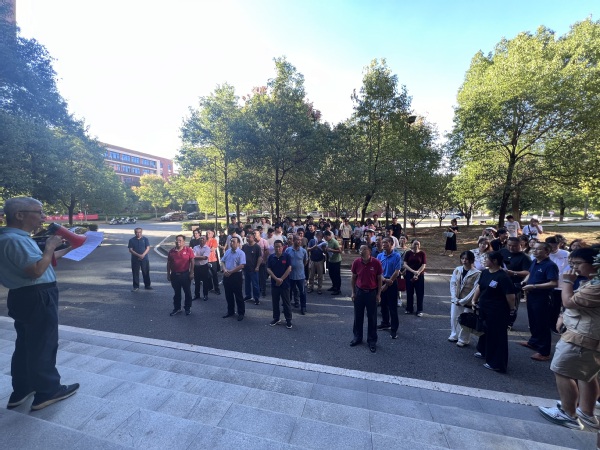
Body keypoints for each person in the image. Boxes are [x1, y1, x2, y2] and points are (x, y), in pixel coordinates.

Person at [0, 197, 79, 411]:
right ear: (19, 215)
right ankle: (47, 391)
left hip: (23, 295)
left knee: (26, 344)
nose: (43, 217)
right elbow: (36, 270)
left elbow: (41, 261)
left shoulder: (10, 237)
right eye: (39, 212)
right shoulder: (15, 240)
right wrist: (50, 247)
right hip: (37, 295)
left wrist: (67, 249)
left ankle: (22, 389)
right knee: (43, 344)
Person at [538, 247, 600, 430]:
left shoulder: (596, 287)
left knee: (562, 371)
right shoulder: (593, 282)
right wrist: (562, 316)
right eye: (572, 264)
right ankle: (586, 412)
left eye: (578, 264)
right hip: (586, 336)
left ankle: (568, 413)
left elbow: (569, 301)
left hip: (581, 338)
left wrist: (566, 281)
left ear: (596, 264)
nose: (574, 268)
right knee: (587, 375)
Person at [472, 251, 516, 372]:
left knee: (497, 336)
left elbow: (510, 296)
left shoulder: (503, 277)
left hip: (497, 311)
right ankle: (484, 351)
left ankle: (497, 363)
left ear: (495, 261)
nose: (484, 261)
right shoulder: (485, 272)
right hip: (484, 308)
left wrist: (512, 310)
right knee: (484, 331)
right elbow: (480, 287)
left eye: (486, 259)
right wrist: (474, 300)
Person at [519, 242, 559, 361]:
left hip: (543, 297)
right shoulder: (535, 262)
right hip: (532, 295)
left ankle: (544, 352)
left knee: (542, 323)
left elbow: (553, 283)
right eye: (534, 249)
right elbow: (530, 273)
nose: (534, 251)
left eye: (538, 249)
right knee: (533, 321)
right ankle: (534, 342)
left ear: (547, 252)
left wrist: (534, 286)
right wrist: (525, 281)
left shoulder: (550, 265)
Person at [350, 245, 383, 353]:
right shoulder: (356, 262)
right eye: (360, 249)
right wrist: (353, 292)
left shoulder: (376, 263)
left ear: (369, 251)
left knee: (372, 318)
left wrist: (378, 294)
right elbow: (353, 278)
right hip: (359, 292)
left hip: (371, 293)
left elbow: (379, 279)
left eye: (363, 249)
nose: (361, 251)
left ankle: (372, 340)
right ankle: (357, 337)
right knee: (358, 316)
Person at [448, 251, 481, 347]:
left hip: (468, 301)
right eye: (462, 258)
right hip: (456, 298)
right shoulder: (458, 270)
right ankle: (454, 334)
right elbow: (453, 283)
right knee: (454, 317)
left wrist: (464, 301)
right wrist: (454, 297)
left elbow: (475, 289)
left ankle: (463, 339)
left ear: (471, 260)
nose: (464, 260)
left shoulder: (477, 273)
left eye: (466, 259)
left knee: (466, 319)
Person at [500, 237, 531, 330]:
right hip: (501, 283)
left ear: (520, 245)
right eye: (509, 245)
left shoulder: (524, 257)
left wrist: (513, 273)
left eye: (514, 246)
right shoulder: (503, 252)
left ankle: (509, 323)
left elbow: (528, 272)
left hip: (514, 284)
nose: (511, 248)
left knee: (512, 305)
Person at [376, 237, 402, 339]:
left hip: (392, 282)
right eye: (383, 243)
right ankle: (385, 323)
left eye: (386, 243)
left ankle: (394, 329)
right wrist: (384, 281)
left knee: (392, 307)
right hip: (382, 281)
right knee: (383, 305)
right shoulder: (379, 256)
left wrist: (387, 284)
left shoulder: (396, 256)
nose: (383, 244)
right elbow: (378, 271)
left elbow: (397, 271)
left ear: (391, 244)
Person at [267, 240, 293, 329]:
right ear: (274, 247)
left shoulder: (287, 256)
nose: (278, 248)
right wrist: (276, 279)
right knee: (275, 302)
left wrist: (281, 279)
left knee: (286, 302)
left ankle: (288, 320)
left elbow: (289, 268)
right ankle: (276, 318)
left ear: (282, 247)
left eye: (279, 246)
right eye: (276, 247)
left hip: (285, 283)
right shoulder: (271, 257)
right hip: (275, 284)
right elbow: (268, 269)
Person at [167, 235, 194, 316]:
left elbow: (192, 261)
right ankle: (177, 308)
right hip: (175, 275)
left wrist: (191, 272)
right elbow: (169, 263)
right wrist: (168, 273)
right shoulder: (171, 251)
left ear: (184, 242)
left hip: (185, 275)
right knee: (177, 293)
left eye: (180, 240)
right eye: (177, 240)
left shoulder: (188, 250)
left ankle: (187, 308)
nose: (178, 242)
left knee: (187, 292)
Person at [221, 236, 246, 321]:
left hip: (236, 275)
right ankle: (230, 311)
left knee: (238, 295)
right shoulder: (228, 251)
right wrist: (224, 270)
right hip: (227, 275)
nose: (231, 243)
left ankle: (241, 313)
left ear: (238, 243)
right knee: (228, 295)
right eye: (231, 241)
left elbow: (242, 265)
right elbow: (222, 261)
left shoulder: (241, 253)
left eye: (233, 242)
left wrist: (231, 272)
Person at [286, 235, 309, 314]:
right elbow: (286, 261)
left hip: (300, 276)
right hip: (290, 275)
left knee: (302, 292)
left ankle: (303, 307)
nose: (299, 241)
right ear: (294, 240)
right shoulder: (288, 250)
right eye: (297, 240)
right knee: (288, 292)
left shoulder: (303, 251)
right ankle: (287, 307)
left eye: (300, 240)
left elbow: (305, 262)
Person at [403, 239, 427, 316]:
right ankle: (409, 308)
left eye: (418, 244)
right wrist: (413, 271)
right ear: (412, 244)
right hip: (409, 274)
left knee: (419, 293)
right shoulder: (408, 253)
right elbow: (405, 264)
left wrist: (417, 273)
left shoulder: (422, 253)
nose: (416, 245)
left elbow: (423, 265)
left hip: (419, 275)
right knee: (409, 292)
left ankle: (419, 310)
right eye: (415, 244)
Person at [128, 227, 152, 291]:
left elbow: (148, 248)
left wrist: (143, 255)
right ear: (135, 233)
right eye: (137, 232)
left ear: (141, 232)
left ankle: (147, 285)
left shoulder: (145, 239)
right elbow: (130, 250)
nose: (138, 234)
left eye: (139, 232)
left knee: (145, 271)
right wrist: (138, 255)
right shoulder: (131, 240)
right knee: (135, 273)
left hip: (144, 258)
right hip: (135, 259)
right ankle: (136, 286)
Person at [242, 232, 261, 305]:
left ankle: (256, 298)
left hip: (254, 269)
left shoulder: (257, 247)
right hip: (246, 268)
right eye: (247, 237)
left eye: (249, 237)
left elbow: (259, 257)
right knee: (247, 283)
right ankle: (248, 296)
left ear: (253, 238)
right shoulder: (244, 246)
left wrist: (257, 266)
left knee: (255, 284)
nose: (247, 238)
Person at [307, 230, 327, 295]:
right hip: (312, 259)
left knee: (320, 275)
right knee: (311, 274)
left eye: (321, 236)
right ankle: (310, 287)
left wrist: (324, 249)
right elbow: (308, 249)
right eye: (318, 236)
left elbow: (325, 252)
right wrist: (314, 247)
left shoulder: (323, 242)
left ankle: (319, 288)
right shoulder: (312, 241)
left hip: (320, 260)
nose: (319, 238)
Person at [192, 235, 211, 301]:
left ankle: (205, 295)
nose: (201, 240)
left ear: (206, 240)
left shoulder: (207, 248)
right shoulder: (195, 247)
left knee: (205, 281)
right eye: (200, 239)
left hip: (204, 266)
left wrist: (195, 257)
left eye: (203, 239)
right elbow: (193, 256)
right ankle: (197, 295)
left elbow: (205, 257)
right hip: (196, 267)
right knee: (196, 281)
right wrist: (200, 257)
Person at [324, 230, 342, 295]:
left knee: (336, 275)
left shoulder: (334, 242)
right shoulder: (327, 242)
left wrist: (331, 250)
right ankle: (334, 286)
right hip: (331, 260)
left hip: (336, 260)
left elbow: (339, 251)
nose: (325, 238)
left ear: (328, 236)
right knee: (331, 274)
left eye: (326, 237)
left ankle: (338, 289)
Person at [206, 229, 221, 295]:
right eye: (207, 233)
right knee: (207, 275)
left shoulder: (214, 240)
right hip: (206, 260)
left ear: (212, 234)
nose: (208, 234)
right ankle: (210, 287)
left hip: (213, 260)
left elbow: (213, 249)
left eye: (209, 233)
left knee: (214, 275)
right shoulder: (205, 240)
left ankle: (217, 289)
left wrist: (205, 250)